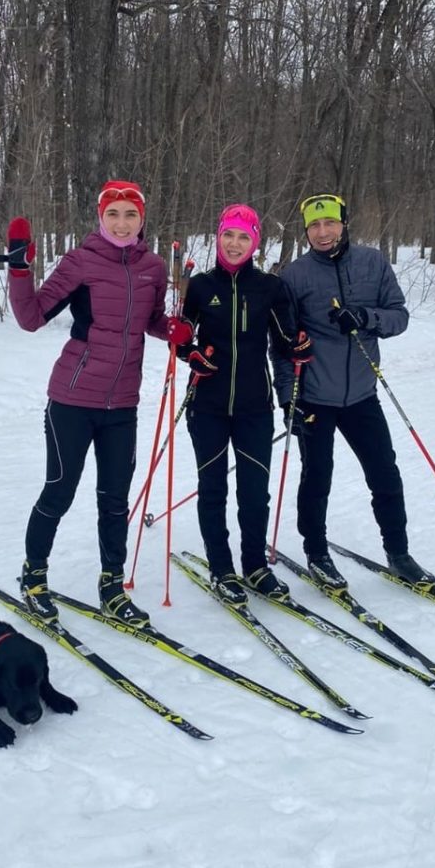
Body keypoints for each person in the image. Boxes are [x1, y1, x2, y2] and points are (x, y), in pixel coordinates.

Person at [4, 180, 193, 626]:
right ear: (100, 217)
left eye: (131, 214)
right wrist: (18, 271)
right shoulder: (80, 262)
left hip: (122, 404)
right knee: (60, 490)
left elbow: (148, 320)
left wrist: (171, 330)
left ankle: (112, 586)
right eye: (114, 214)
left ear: (142, 219)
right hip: (71, 399)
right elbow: (31, 319)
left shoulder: (152, 267)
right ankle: (33, 577)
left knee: (114, 499)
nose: (123, 223)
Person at [271, 192, 435, 588]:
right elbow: (281, 345)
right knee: (317, 476)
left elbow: (399, 317)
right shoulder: (294, 275)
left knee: (384, 472)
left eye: (330, 223)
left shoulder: (372, 262)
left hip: (362, 394)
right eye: (314, 226)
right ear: (306, 230)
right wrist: (287, 399)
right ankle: (317, 553)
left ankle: (399, 553)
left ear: (344, 223)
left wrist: (365, 317)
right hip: (314, 396)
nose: (323, 232)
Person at [177, 204, 311, 607]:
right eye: (228, 235)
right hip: (208, 406)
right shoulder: (200, 286)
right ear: (218, 238)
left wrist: (299, 346)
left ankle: (255, 566)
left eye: (244, 237)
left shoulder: (269, 287)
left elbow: (286, 340)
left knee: (255, 493)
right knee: (213, 489)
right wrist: (189, 352)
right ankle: (222, 569)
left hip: (255, 406)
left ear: (255, 242)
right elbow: (183, 337)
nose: (235, 244)